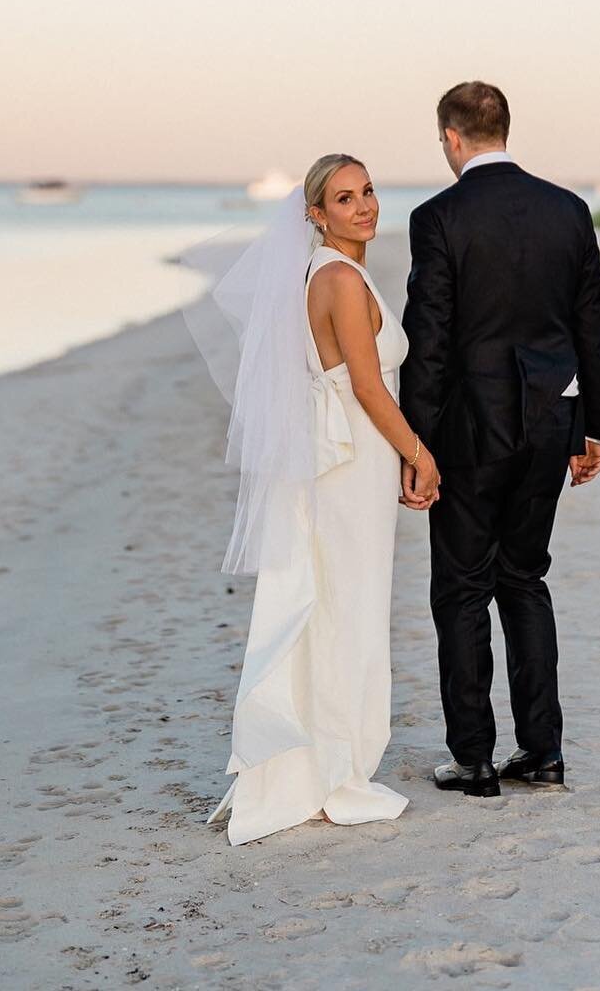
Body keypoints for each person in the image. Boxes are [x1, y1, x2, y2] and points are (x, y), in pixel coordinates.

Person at [204, 154, 441, 845]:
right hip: (354, 457)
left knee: (336, 603)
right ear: (316, 214)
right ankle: (334, 771)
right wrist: (420, 454)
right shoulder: (338, 277)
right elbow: (368, 387)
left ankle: (321, 763)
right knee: (348, 609)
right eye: (344, 198)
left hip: (347, 455)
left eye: (367, 191)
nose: (363, 206)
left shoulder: (335, 271)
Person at [401, 82, 600, 796]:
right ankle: (543, 754)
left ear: (453, 138)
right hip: (551, 422)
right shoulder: (569, 211)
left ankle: (475, 759)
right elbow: (593, 328)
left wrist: (415, 445)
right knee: (525, 580)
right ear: (503, 129)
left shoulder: (439, 217)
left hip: (468, 431)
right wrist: (595, 429)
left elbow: (428, 342)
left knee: (461, 591)